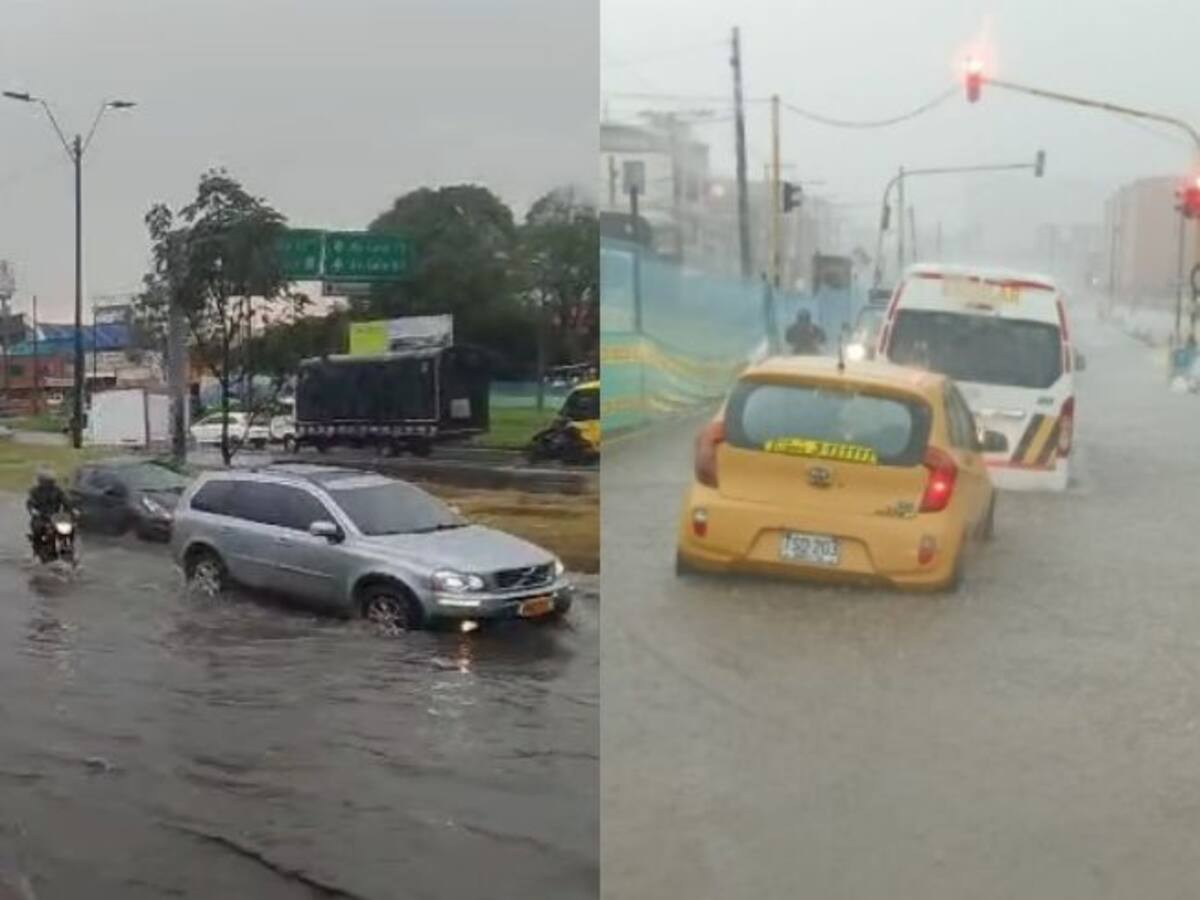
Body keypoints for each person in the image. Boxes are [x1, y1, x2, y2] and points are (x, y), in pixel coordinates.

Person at [26, 468, 71, 554]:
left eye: (50, 481)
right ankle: (36, 551)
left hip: (55, 515)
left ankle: (67, 551)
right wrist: (33, 511)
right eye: (45, 481)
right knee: (37, 528)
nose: (48, 483)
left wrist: (70, 511)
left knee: (66, 529)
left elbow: (66, 502)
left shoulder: (58, 490)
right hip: (41, 516)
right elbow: (30, 503)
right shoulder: (35, 491)